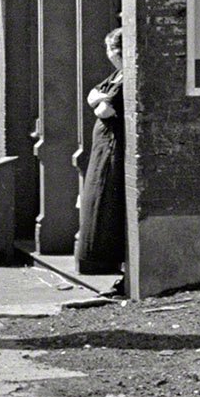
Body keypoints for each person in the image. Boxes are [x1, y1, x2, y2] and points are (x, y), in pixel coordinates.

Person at [74, 25, 126, 275]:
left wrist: (101, 101)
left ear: (116, 51)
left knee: (104, 199)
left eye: (108, 49)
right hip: (102, 145)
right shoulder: (117, 76)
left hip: (112, 146)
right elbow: (92, 95)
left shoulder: (126, 76)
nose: (107, 54)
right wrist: (101, 100)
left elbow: (104, 109)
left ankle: (104, 262)